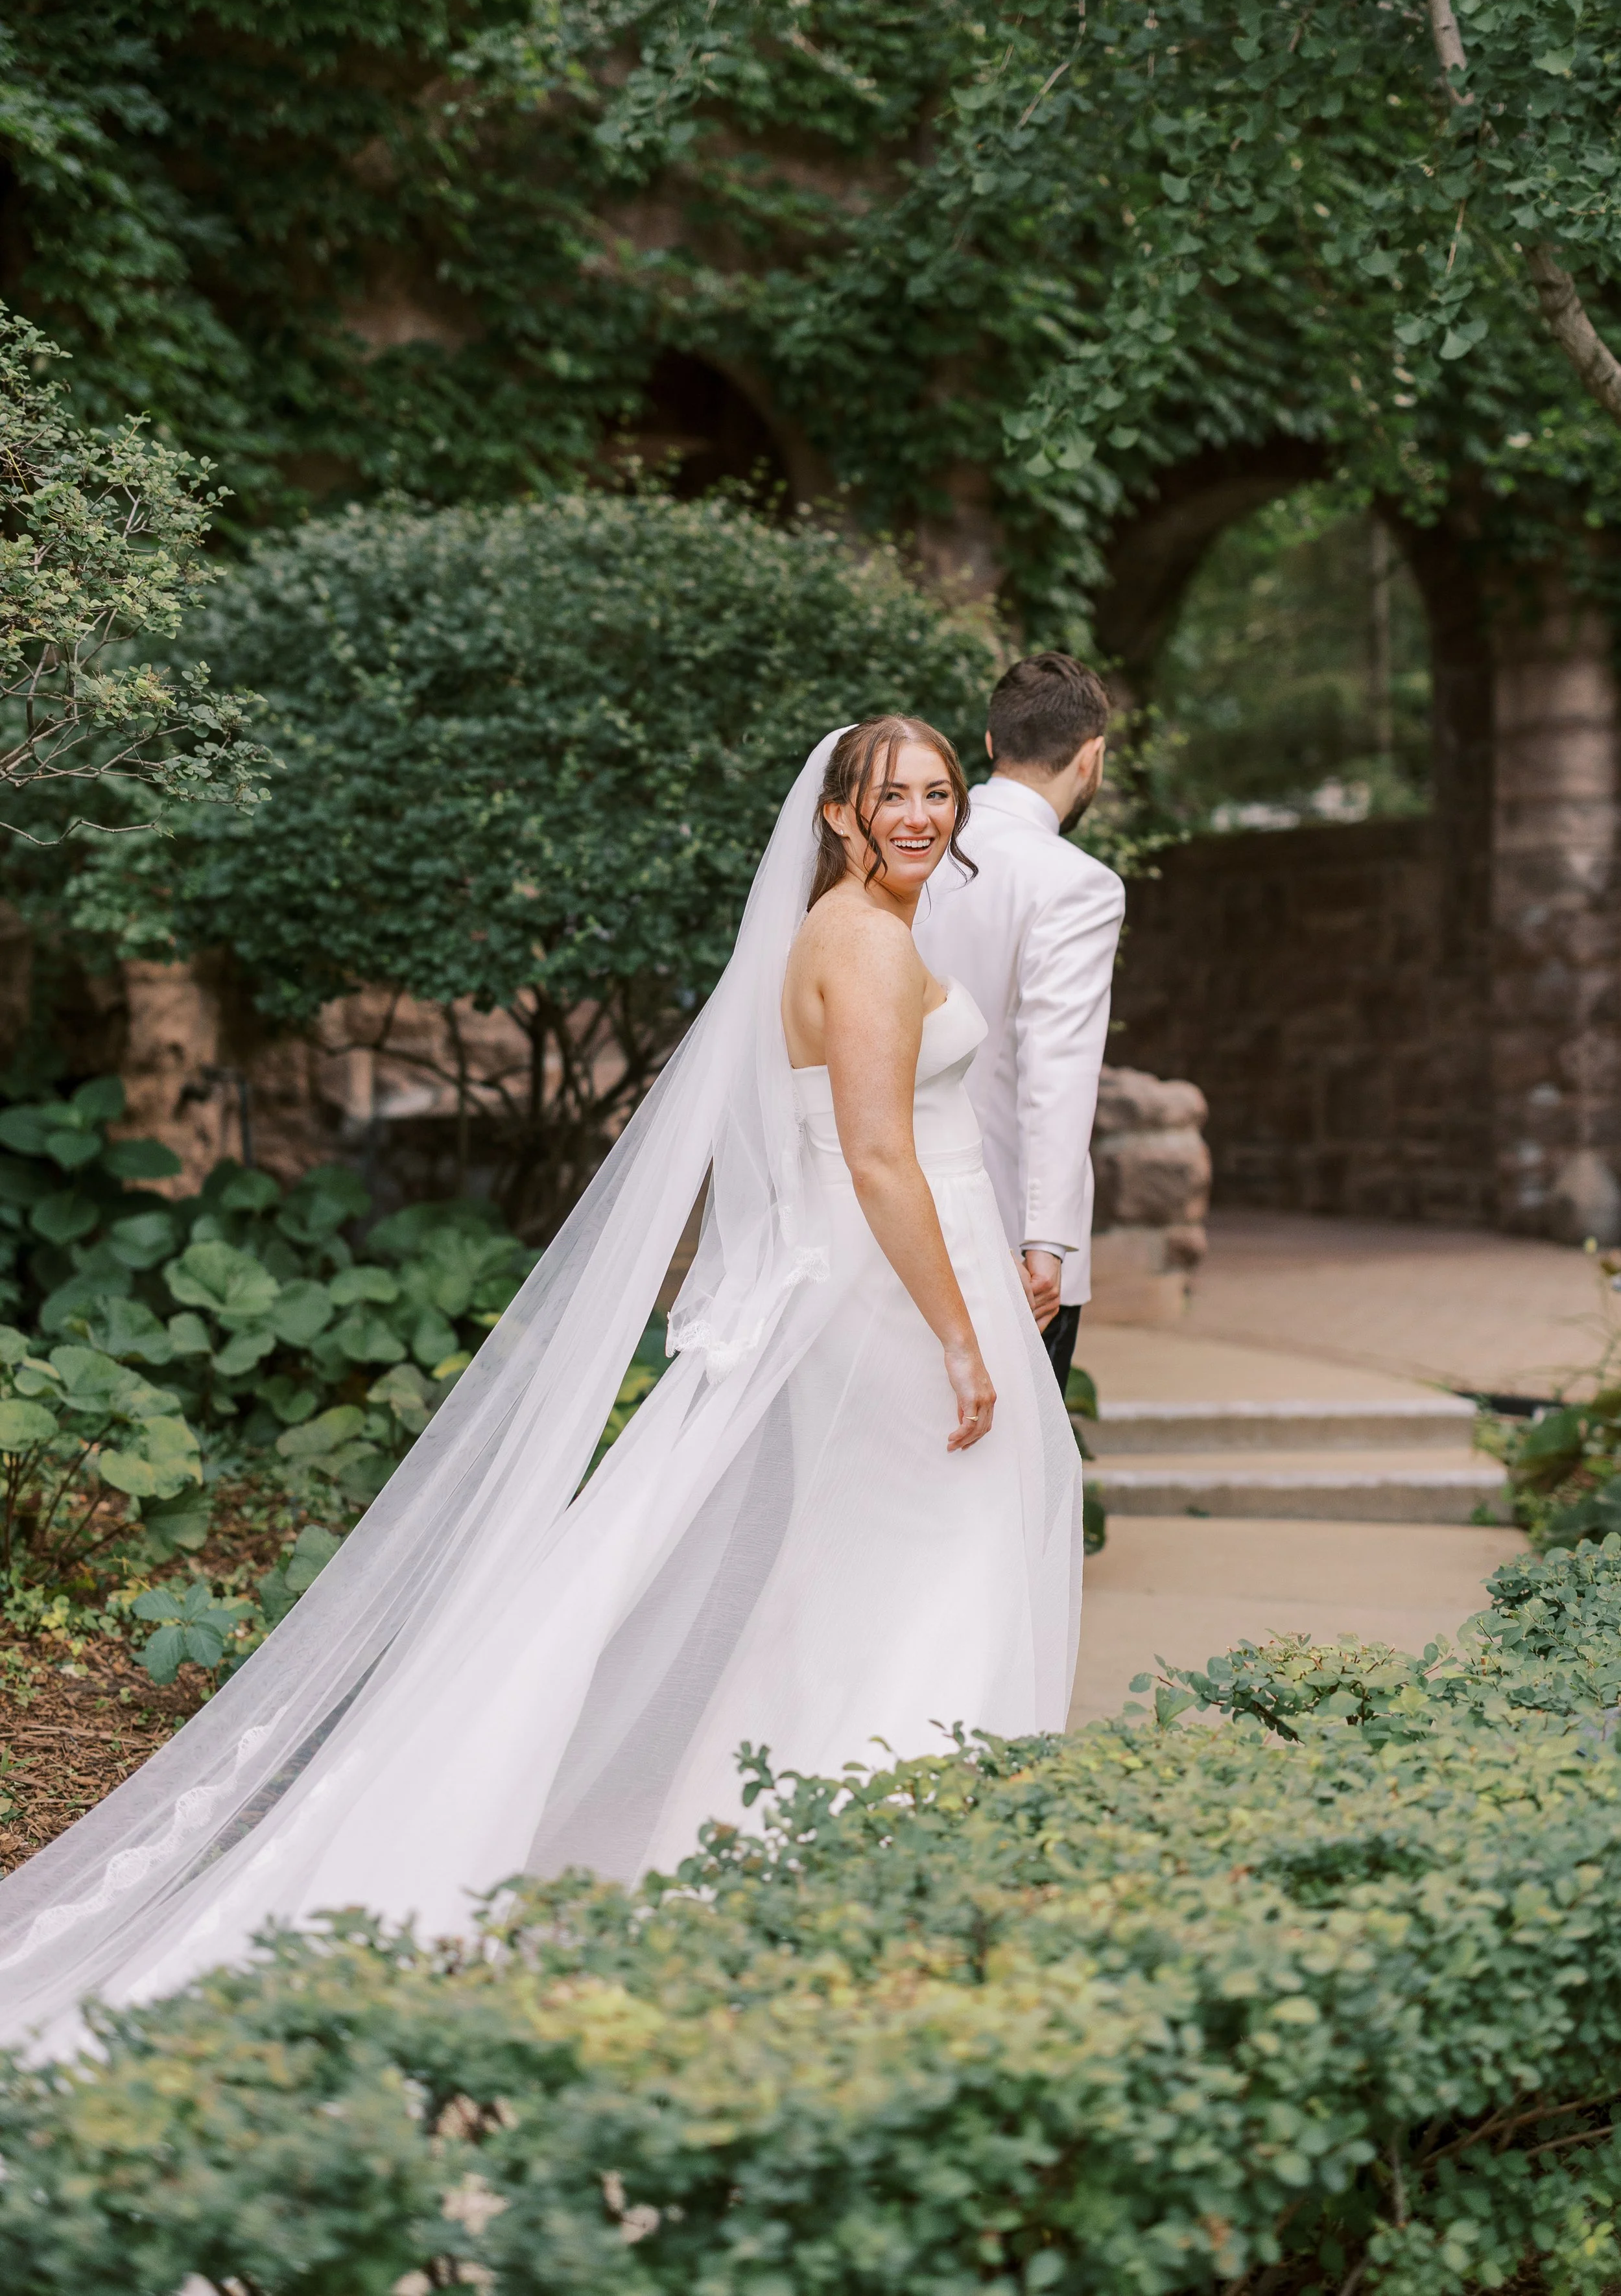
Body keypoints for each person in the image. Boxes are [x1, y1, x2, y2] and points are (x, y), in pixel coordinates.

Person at [0, 719, 1083, 2057]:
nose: (918, 815)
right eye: (891, 798)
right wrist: (961, 1339)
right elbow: (870, 1157)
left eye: (934, 794)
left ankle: (787, 1874)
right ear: (842, 818)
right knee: (936, 1568)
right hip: (892, 1302)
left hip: (907, 1280)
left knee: (859, 1578)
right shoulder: (857, 941)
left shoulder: (866, 926)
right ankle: (891, 1900)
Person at [914, 654, 1126, 1391]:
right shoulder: (1075, 885)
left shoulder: (905, 851)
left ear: (988, 743)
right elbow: (1057, 1072)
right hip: (1001, 1235)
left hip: (876, 1220)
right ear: (1091, 756)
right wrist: (1046, 1243)